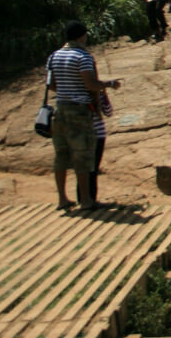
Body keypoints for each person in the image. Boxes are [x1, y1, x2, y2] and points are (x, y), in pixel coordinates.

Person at [47, 21, 120, 211]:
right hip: (80, 111)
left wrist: (67, 89)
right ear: (82, 36)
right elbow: (90, 84)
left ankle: (62, 199)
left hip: (60, 109)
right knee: (84, 156)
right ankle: (86, 200)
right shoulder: (83, 56)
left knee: (61, 155)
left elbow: (52, 84)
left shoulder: (54, 56)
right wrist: (109, 84)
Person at [84, 88, 114, 203]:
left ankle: (83, 197)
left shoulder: (79, 96)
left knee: (83, 168)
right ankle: (91, 198)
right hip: (98, 135)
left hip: (83, 134)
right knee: (93, 169)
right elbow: (109, 112)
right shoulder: (97, 95)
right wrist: (104, 95)